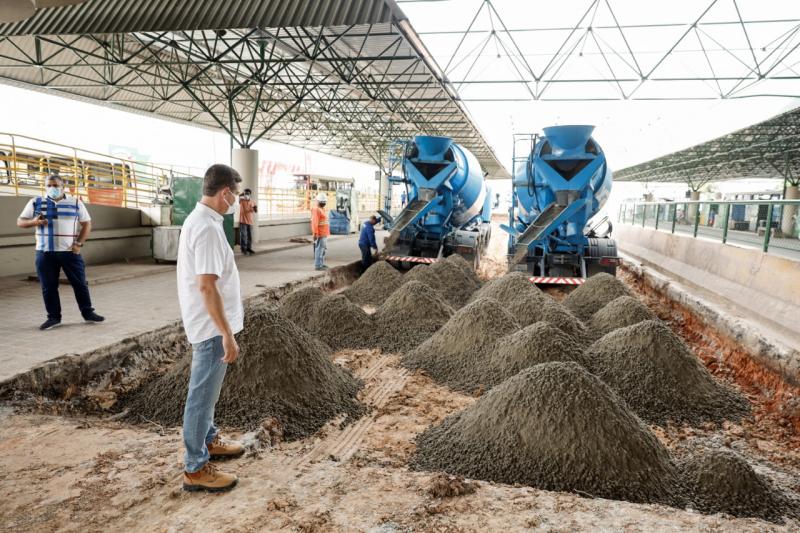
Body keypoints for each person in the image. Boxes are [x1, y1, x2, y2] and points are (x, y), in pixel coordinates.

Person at [178, 164, 245, 493]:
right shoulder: (206, 228)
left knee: (208, 393)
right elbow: (207, 286)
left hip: (210, 325)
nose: (238, 201)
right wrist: (226, 333)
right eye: (237, 194)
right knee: (201, 397)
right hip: (211, 329)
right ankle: (195, 468)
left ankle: (208, 440)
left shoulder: (204, 221)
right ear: (225, 193)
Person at [16, 174, 105, 330]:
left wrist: (79, 244)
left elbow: (87, 224)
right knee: (48, 287)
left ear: (63, 186)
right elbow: (20, 222)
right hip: (45, 253)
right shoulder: (35, 202)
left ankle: (88, 313)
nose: (52, 188)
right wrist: (34, 222)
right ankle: (53, 318)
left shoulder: (75, 202)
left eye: (56, 185)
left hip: (69, 252)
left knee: (80, 284)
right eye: (49, 185)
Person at [310, 192, 330, 271]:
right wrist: (315, 233)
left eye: (324, 202)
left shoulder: (322, 209)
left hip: (324, 233)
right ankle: (318, 265)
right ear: (317, 201)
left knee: (323, 249)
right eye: (322, 202)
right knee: (319, 249)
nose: (323, 203)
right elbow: (315, 222)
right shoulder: (316, 210)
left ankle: (321, 263)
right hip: (320, 233)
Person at [238, 188, 256, 255]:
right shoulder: (241, 200)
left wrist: (255, 209)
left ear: (250, 194)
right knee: (243, 236)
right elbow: (238, 197)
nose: (246, 195)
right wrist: (242, 194)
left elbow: (254, 210)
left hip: (250, 221)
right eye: (245, 194)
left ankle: (249, 248)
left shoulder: (253, 202)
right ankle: (243, 249)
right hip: (242, 221)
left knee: (249, 236)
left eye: (247, 194)